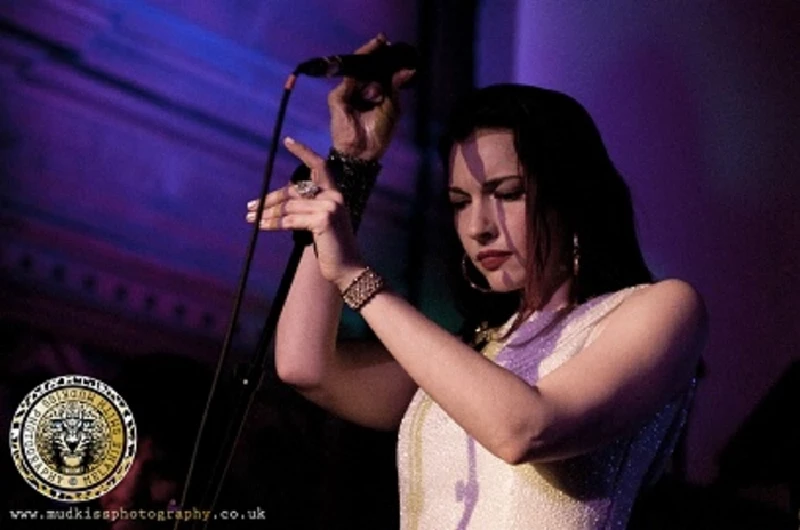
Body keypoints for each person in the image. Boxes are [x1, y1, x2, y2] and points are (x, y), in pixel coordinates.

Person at [246, 34, 708, 529]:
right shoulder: (475, 351)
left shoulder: (660, 309)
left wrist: (356, 276)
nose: (478, 226)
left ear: (573, 196)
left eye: (507, 193)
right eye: (460, 203)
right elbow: (305, 366)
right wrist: (352, 170)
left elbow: (522, 430)